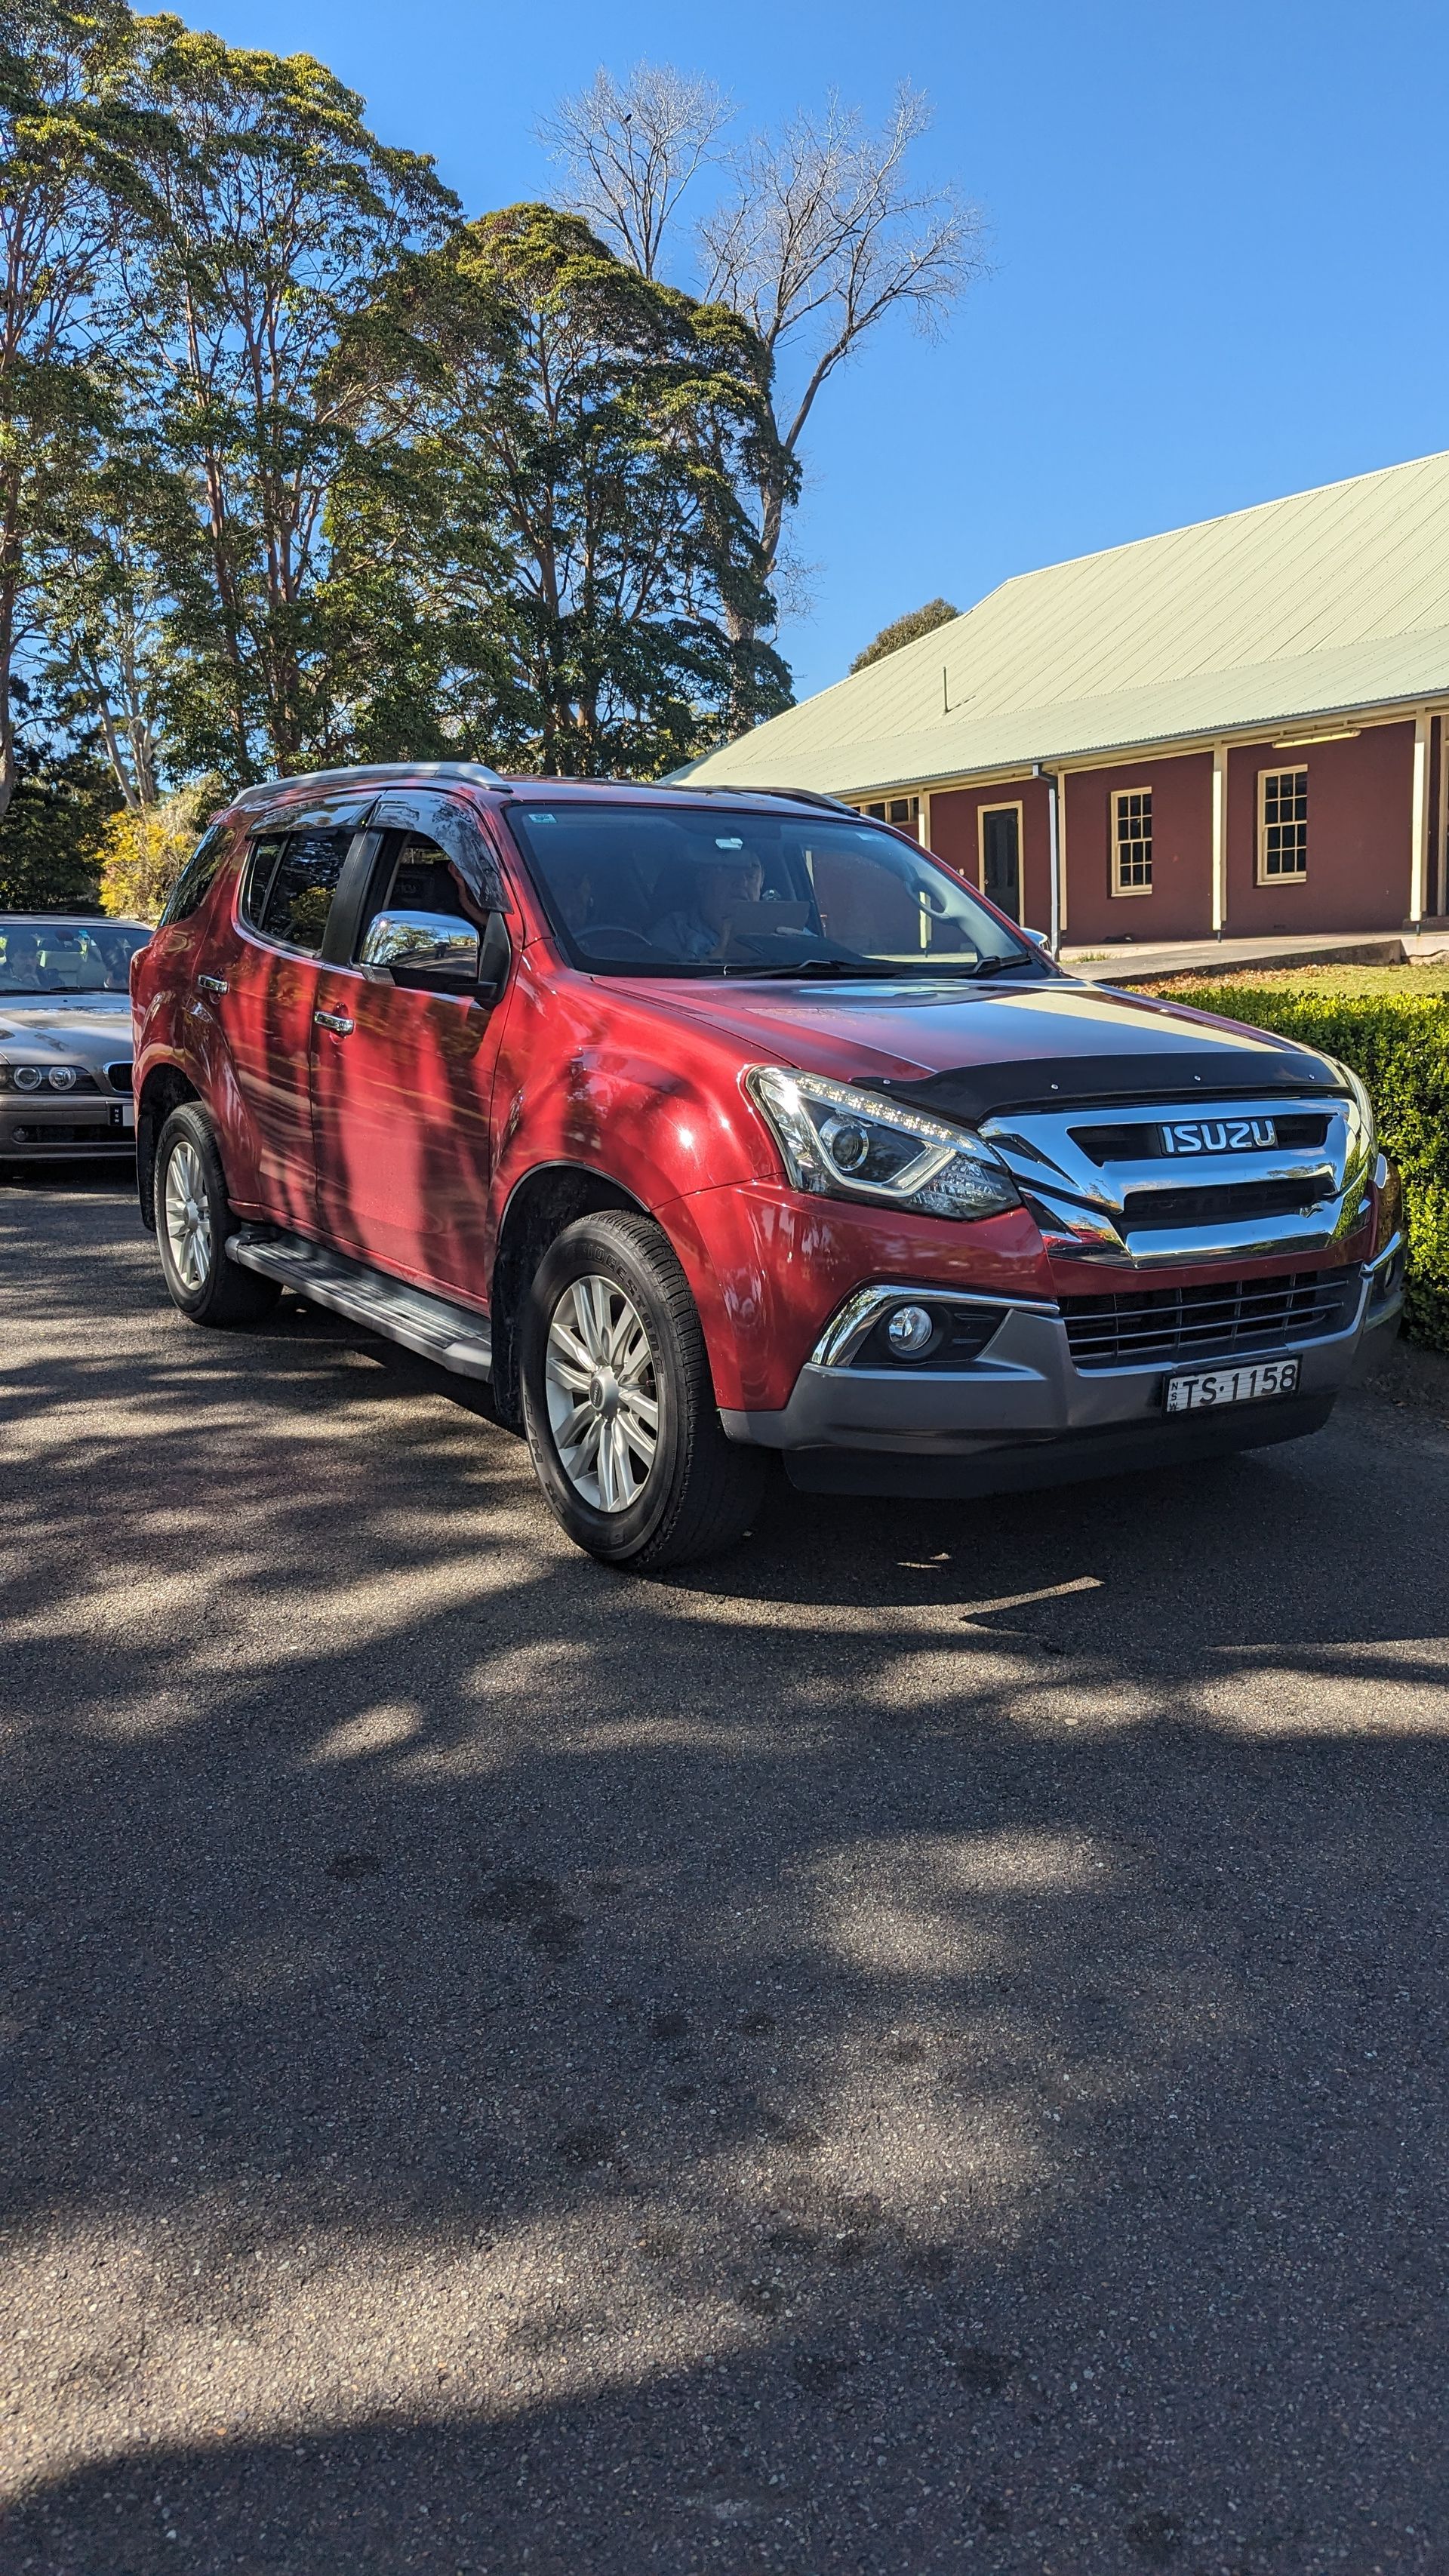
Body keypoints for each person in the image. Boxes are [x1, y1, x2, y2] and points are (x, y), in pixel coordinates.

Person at [651, 849, 764, 960]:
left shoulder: (771, 933)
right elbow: (664, 977)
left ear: (761, 886)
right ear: (702, 881)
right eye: (730, 871)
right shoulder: (673, 930)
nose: (742, 882)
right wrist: (724, 951)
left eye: (751, 875)